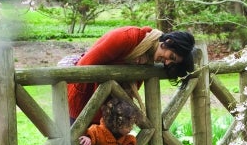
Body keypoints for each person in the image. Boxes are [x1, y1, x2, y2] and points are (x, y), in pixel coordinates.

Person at [67, 26, 196, 123]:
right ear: (168, 41)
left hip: (107, 113)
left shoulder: (147, 58)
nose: (167, 63)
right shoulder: (126, 38)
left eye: (172, 62)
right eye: (171, 56)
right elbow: (85, 66)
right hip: (82, 103)